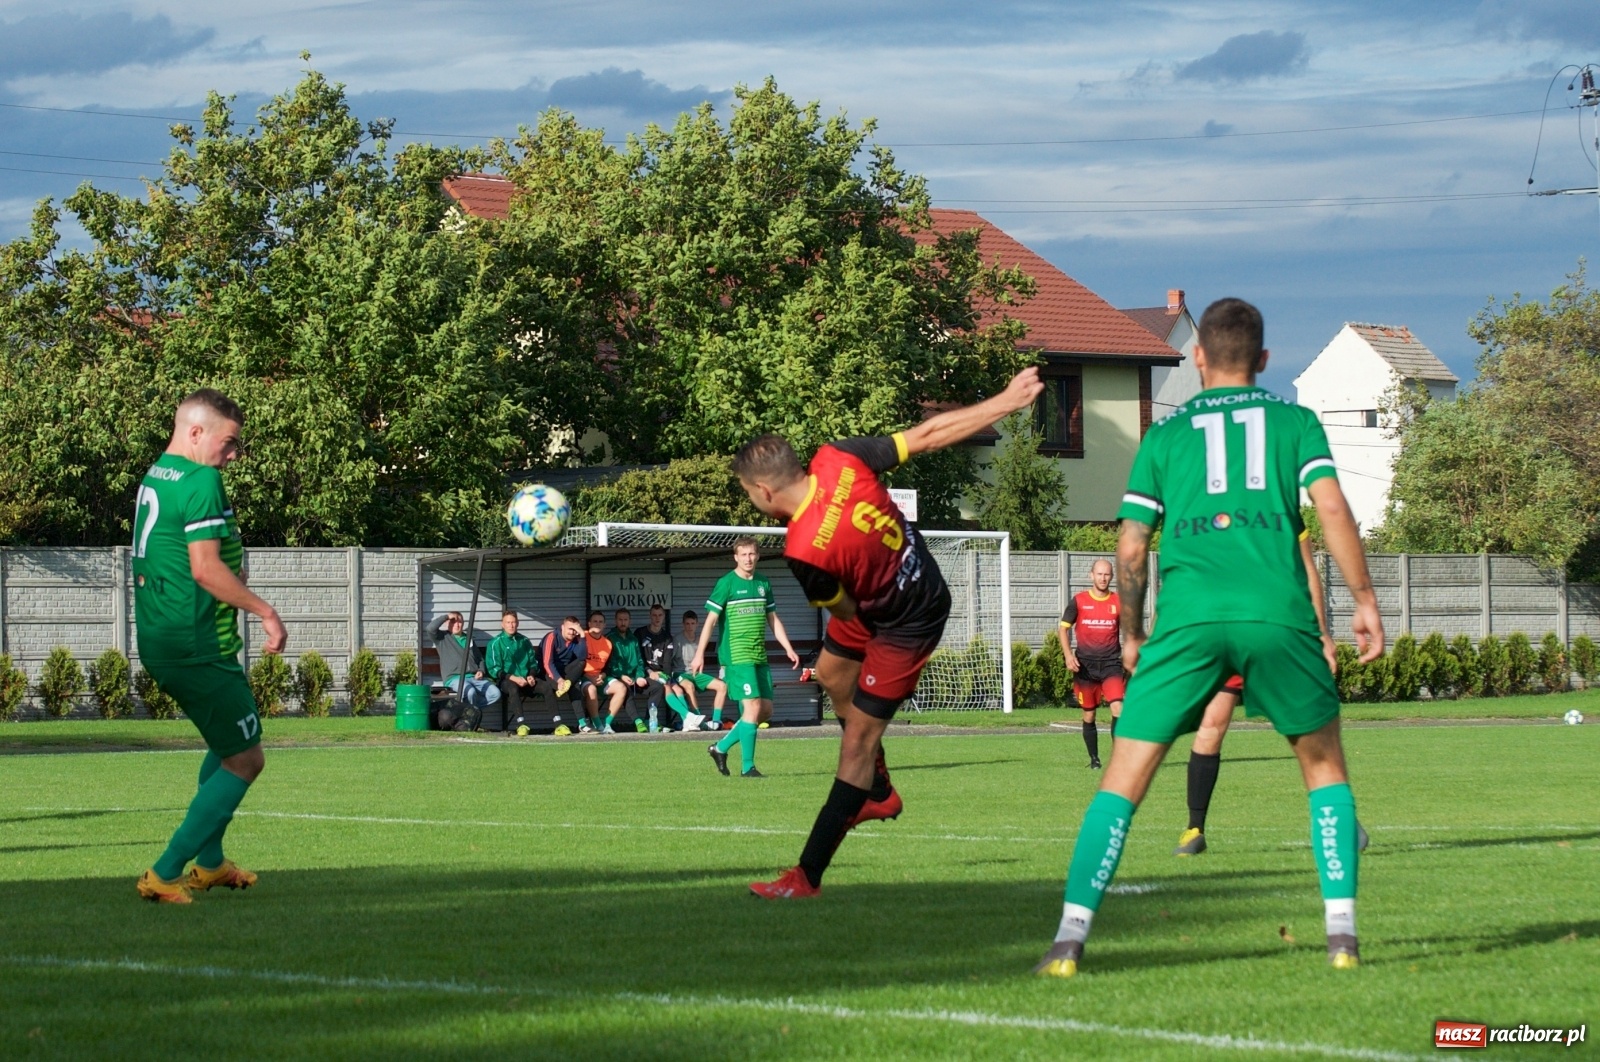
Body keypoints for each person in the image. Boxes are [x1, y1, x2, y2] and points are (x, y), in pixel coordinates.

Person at [1035, 298, 1383, 978]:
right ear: (1263, 360)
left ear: (1198, 359)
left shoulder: (1164, 438)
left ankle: (1069, 941)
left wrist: (1132, 632)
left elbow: (1132, 546)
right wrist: (1364, 600)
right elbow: (1333, 508)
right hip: (1279, 618)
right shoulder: (1296, 422)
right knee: (1323, 769)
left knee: (1123, 780)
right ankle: (1341, 937)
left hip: (1189, 623)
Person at [730, 366, 1043, 897]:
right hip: (895, 591)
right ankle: (876, 785)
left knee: (855, 742)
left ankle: (808, 874)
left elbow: (847, 609)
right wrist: (1006, 402)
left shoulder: (804, 551)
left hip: (909, 618)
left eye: (747, 493)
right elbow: (925, 436)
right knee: (830, 674)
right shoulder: (838, 458)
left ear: (763, 489)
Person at [132, 388, 287, 903]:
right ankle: (165, 872)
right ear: (195, 433)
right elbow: (205, 568)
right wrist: (264, 611)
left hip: (165, 636)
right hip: (197, 643)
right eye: (229, 442)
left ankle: (212, 863)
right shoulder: (201, 479)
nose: (233, 454)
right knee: (247, 759)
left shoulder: (159, 473)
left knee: (225, 747)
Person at [1174, 534, 1344, 856]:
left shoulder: (1281, 508)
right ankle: (1195, 829)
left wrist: (1321, 632)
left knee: (1307, 730)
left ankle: (1342, 820)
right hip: (1226, 632)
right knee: (1210, 726)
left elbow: (1308, 569)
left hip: (1276, 631)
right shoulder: (1212, 512)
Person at [692, 537, 801, 778]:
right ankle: (747, 767)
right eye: (743, 555)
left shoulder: (763, 583)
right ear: (736, 557)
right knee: (752, 707)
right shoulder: (727, 583)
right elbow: (710, 621)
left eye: (752, 554)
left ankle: (720, 748)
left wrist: (788, 648)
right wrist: (699, 654)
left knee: (766, 710)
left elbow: (772, 618)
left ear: (758, 555)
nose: (748, 559)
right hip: (737, 656)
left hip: (759, 655)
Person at [1059, 558, 1123, 769]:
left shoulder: (1118, 602)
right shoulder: (1079, 601)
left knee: (1118, 709)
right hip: (1085, 666)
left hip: (1111, 664)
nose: (1103, 578)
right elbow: (1063, 629)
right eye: (1099, 574)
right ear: (1091, 575)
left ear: (1111, 577)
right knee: (1089, 713)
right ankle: (1094, 759)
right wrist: (1068, 655)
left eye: (1107, 575)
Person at [429, 612, 501, 719]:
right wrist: (446, 616)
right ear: (447, 624)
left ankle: (470, 711)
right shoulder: (442, 638)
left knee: (495, 694)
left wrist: (481, 671)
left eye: (460, 622)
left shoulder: (469, 639)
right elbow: (430, 629)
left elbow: (480, 659)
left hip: (474, 678)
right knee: (470, 692)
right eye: (453, 622)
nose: (457, 625)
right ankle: (470, 717)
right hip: (455, 678)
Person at [636, 603, 697, 730]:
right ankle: (688, 717)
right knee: (667, 688)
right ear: (650, 616)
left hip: (662, 674)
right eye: (654, 615)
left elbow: (668, 662)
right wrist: (649, 671)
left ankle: (686, 722)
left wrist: (666, 676)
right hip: (646, 674)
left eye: (660, 615)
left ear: (664, 616)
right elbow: (639, 659)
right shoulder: (640, 633)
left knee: (678, 690)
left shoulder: (667, 637)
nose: (657, 618)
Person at [604, 608, 657, 732]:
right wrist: (621, 676)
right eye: (620, 620)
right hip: (617, 678)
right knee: (624, 687)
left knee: (657, 688)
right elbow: (610, 664)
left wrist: (639, 676)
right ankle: (638, 722)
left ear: (630, 621)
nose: (623, 622)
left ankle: (649, 720)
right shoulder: (610, 639)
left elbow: (639, 661)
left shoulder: (633, 639)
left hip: (634, 678)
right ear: (615, 621)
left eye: (625, 620)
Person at [673, 610, 727, 730]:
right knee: (689, 686)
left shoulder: (699, 639)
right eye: (687, 623)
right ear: (683, 624)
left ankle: (716, 721)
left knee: (722, 686)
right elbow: (670, 661)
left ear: (697, 624)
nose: (690, 626)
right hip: (680, 673)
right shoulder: (677, 639)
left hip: (696, 674)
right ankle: (697, 719)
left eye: (692, 623)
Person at [486, 609, 536, 731]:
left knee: (545, 687)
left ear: (517, 623)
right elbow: (494, 669)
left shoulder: (524, 640)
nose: (511, 625)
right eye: (508, 622)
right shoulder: (495, 643)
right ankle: (521, 724)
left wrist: (531, 675)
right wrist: (514, 678)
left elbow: (533, 662)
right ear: (502, 624)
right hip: (505, 680)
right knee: (513, 688)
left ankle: (558, 723)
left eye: (513, 622)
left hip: (525, 680)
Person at [535, 616, 586, 734]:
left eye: (575, 629)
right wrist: (559, 680)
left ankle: (583, 724)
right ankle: (559, 725)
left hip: (566, 674)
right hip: (548, 673)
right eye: (570, 629)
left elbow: (582, 656)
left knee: (580, 666)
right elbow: (547, 664)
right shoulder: (552, 637)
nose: (572, 632)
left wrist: (582, 635)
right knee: (572, 686)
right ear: (562, 627)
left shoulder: (577, 638)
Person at [577, 610, 614, 733]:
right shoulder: (582, 638)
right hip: (582, 677)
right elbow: (575, 663)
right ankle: (597, 723)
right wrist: (588, 677)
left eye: (600, 622)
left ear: (605, 625)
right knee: (591, 689)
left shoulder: (608, 643)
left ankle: (607, 723)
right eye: (594, 621)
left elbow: (608, 667)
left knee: (621, 688)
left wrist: (602, 675)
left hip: (599, 677)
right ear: (589, 623)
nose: (597, 624)